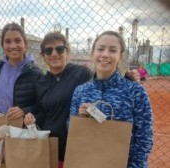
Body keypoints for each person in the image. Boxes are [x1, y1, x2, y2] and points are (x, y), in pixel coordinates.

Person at [24, 31, 140, 168]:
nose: (54, 54)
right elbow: (43, 112)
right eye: (48, 51)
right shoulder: (41, 83)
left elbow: (103, 83)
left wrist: (126, 79)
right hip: (49, 146)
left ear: (68, 52)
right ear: (43, 56)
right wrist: (31, 116)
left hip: (77, 147)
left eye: (60, 49)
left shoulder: (81, 73)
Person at [69, 31, 153, 167]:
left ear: (120, 56)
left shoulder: (135, 91)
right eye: (100, 49)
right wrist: (80, 119)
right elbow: (71, 129)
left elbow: (144, 138)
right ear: (93, 53)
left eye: (112, 50)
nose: (105, 54)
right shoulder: (80, 91)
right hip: (87, 162)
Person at [0, 22, 43, 120]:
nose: (13, 46)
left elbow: (42, 107)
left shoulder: (35, 73)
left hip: (19, 130)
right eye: (8, 41)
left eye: (17, 41)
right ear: (3, 45)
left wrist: (24, 111)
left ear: (25, 44)